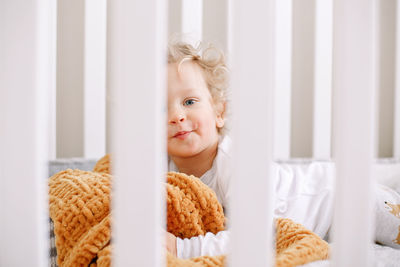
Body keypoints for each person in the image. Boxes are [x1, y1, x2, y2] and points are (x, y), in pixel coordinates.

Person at [164, 40, 400, 259]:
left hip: (340, 195)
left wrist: (183, 248)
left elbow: (255, 236)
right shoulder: (164, 174)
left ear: (219, 113)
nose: (176, 116)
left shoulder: (236, 162)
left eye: (189, 102)